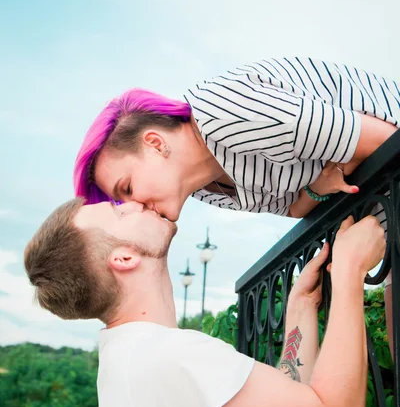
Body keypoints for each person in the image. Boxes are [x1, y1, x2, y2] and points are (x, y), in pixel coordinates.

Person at [24, 198, 385, 407]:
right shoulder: (170, 357)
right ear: (123, 259)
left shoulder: (132, 359)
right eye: (120, 212)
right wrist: (350, 269)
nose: (134, 202)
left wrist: (300, 309)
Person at [73, 56, 398, 354]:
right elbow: (296, 208)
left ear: (156, 144)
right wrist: (317, 187)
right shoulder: (206, 188)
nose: (134, 206)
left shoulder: (223, 113)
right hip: (382, 197)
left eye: (127, 188)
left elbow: (387, 142)